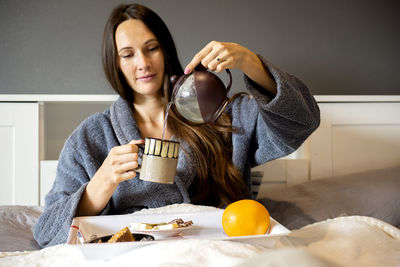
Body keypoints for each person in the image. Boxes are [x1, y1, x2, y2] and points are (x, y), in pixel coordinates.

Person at [33, 3, 320, 247]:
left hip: (219, 249)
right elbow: (47, 232)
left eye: (151, 48)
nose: (143, 63)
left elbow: (302, 121)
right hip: (136, 255)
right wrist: (100, 185)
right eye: (128, 54)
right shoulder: (91, 137)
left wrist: (251, 62)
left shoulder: (216, 113)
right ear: (116, 63)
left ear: (166, 51)